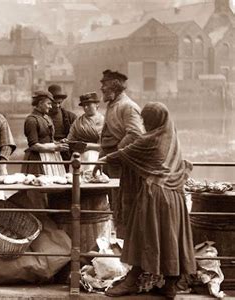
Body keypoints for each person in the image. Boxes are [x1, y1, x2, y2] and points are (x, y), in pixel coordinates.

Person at [101, 102, 196, 298]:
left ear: (153, 121)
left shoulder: (150, 140)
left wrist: (103, 160)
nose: (144, 124)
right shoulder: (171, 137)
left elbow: (124, 154)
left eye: (146, 120)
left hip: (155, 195)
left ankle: (132, 280)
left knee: (142, 235)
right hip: (175, 195)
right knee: (171, 237)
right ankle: (170, 285)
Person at [93, 69, 145, 238]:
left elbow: (135, 134)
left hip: (123, 164)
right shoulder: (112, 105)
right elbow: (107, 136)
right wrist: (100, 159)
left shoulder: (128, 107)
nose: (101, 88)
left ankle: (127, 245)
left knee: (124, 204)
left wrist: (115, 154)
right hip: (111, 162)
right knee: (114, 203)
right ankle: (120, 242)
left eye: (104, 84)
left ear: (114, 87)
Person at [21, 90, 69, 176]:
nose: (51, 107)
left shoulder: (47, 118)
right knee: (39, 185)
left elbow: (49, 140)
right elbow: (33, 145)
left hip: (50, 157)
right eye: (48, 104)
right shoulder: (31, 120)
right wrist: (55, 147)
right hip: (37, 160)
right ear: (40, 103)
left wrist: (58, 143)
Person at [65, 92, 104, 172]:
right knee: (75, 179)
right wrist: (67, 141)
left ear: (97, 104)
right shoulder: (78, 121)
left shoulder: (103, 121)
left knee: (90, 177)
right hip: (77, 155)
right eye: (83, 105)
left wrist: (88, 146)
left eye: (89, 105)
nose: (85, 107)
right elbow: (71, 138)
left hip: (94, 155)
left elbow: (104, 145)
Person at [47, 84, 77, 166]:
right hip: (47, 150)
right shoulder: (41, 117)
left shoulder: (70, 117)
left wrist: (67, 140)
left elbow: (76, 135)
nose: (57, 105)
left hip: (65, 151)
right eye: (54, 103)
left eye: (59, 103)